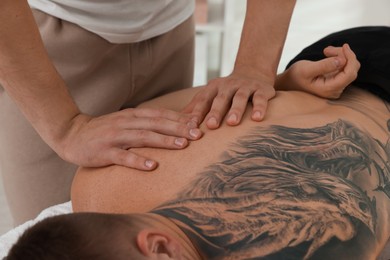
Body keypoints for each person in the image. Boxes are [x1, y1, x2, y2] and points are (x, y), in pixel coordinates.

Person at [6, 27, 390, 259]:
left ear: (158, 247)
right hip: (334, 62)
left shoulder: (304, 245)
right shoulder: (98, 179)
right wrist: (282, 82)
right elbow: (205, 106)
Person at [0, 0, 297, 225]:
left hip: (171, 28)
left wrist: (255, 65)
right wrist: (65, 128)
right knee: (59, 237)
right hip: (40, 39)